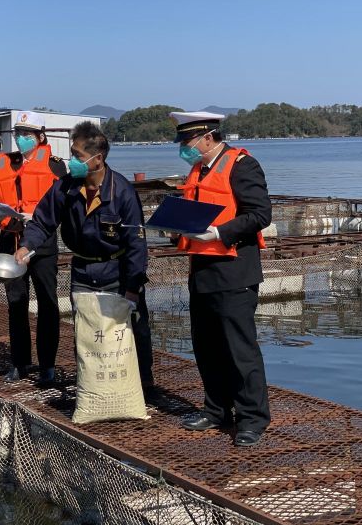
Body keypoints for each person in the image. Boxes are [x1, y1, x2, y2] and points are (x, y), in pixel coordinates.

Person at [15, 121, 154, 387]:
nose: (72, 161)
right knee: (88, 334)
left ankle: (143, 386)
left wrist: (134, 287)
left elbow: (137, 243)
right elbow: (43, 221)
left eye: (77, 156)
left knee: (131, 331)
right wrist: (26, 245)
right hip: (82, 270)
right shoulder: (66, 187)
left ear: (97, 159)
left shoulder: (122, 192)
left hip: (117, 270)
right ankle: (92, 386)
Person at [168, 111, 272, 447]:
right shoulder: (197, 169)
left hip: (234, 269)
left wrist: (220, 232)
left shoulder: (242, 164)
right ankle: (216, 409)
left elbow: (260, 213)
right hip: (202, 270)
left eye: (188, 141)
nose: (185, 148)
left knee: (239, 348)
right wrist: (176, 229)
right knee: (207, 345)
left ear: (207, 137)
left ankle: (252, 418)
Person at [0, 111, 66, 384]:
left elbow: (61, 207)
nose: (21, 140)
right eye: (18, 135)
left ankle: (48, 365)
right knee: (16, 304)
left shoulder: (56, 167)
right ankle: (20, 363)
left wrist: (39, 218)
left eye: (27, 135)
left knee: (48, 303)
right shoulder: (5, 164)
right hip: (11, 241)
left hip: (42, 243)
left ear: (40, 137)